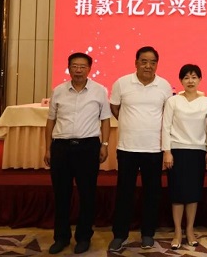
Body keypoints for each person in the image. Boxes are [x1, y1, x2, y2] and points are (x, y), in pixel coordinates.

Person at [44, 52, 111, 255]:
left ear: (89, 69)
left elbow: (105, 120)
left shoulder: (99, 91)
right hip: (61, 147)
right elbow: (50, 121)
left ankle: (83, 237)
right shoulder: (58, 91)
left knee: (87, 194)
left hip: (88, 147)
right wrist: (47, 148)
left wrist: (104, 144)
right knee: (61, 194)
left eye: (82, 66)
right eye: (74, 66)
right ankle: (61, 237)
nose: (78, 70)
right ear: (69, 68)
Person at [108, 46, 172, 252]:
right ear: (136, 63)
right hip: (127, 147)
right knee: (124, 192)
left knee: (152, 194)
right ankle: (120, 234)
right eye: (144, 61)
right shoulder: (122, 83)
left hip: (153, 148)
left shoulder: (164, 85)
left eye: (152, 62)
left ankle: (147, 234)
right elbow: (115, 108)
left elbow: (168, 114)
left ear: (157, 65)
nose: (148, 66)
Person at [162, 64, 207, 250]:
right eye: (186, 77)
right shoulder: (173, 101)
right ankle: (177, 231)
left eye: (194, 77)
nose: (190, 81)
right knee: (177, 193)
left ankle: (189, 230)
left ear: (200, 79)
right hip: (177, 151)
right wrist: (167, 151)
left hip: (198, 151)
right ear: (181, 80)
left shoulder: (206, 102)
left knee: (193, 193)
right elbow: (166, 127)